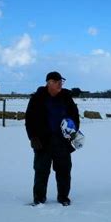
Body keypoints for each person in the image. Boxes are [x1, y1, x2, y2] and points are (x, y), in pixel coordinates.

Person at [25, 71, 80, 206]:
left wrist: (73, 131)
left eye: (61, 81)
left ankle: (63, 197)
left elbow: (75, 116)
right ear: (49, 83)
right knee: (41, 171)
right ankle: (39, 198)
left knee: (64, 171)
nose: (60, 84)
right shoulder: (37, 98)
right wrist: (32, 137)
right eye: (56, 82)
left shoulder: (66, 97)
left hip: (62, 142)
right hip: (43, 142)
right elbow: (29, 120)